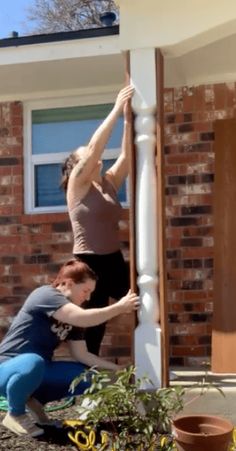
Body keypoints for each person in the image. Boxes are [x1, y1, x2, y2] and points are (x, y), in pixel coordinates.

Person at [0, 259, 139, 438]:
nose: (88, 298)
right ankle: (15, 413)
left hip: (38, 369)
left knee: (91, 378)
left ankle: (33, 402)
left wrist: (118, 369)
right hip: (7, 368)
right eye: (86, 291)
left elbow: (81, 355)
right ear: (69, 284)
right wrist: (119, 307)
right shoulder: (45, 295)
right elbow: (84, 318)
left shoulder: (73, 316)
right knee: (33, 361)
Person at [61, 84, 134, 355]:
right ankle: (86, 377)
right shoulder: (78, 185)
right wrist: (116, 107)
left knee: (142, 302)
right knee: (94, 325)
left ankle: (151, 361)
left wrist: (128, 118)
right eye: (86, 159)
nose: (95, 160)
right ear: (76, 167)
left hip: (113, 260)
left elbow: (127, 156)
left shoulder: (109, 183)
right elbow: (94, 148)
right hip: (88, 263)